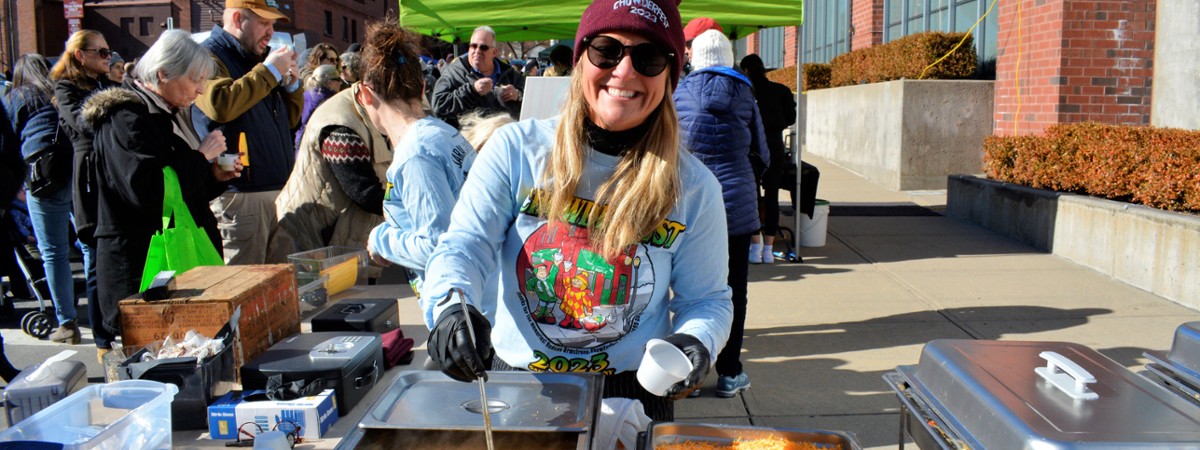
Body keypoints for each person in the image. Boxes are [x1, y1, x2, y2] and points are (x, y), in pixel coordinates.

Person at [421, 0, 733, 422]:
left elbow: (708, 300)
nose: (625, 71)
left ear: (670, 74)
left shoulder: (695, 187)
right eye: (607, 50)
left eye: (649, 57)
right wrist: (450, 307)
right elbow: (465, 246)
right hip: (517, 381)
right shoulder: (516, 151)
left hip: (635, 391)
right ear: (581, 58)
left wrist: (698, 340)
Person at [83, 29, 239, 358]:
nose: (199, 90)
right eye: (194, 79)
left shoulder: (162, 112)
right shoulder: (127, 118)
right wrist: (201, 157)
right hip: (143, 269)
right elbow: (149, 192)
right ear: (163, 73)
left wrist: (214, 176)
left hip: (168, 268)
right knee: (153, 373)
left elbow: (181, 193)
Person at [673, 29, 768, 399]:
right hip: (736, 206)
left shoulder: (679, 93)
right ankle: (729, 372)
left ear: (694, 56)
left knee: (684, 290)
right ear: (729, 57)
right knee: (733, 292)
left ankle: (688, 372)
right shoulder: (745, 93)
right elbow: (763, 151)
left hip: (688, 206)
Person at [357, 21, 477, 299]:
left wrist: (381, 240)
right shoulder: (443, 133)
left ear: (365, 94)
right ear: (422, 88)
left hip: (459, 306)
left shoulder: (416, 154)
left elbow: (439, 246)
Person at [193, 0, 302, 265]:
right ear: (238, 19)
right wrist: (269, 71)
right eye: (264, 22)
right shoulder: (208, 55)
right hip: (240, 195)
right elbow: (220, 105)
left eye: (272, 24)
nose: (270, 31)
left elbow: (290, 121)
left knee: (281, 292)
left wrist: (291, 84)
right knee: (243, 291)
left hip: (277, 191)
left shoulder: (259, 59)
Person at [5, 53, 82, 344]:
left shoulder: (16, 98)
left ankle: (67, 323)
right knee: (89, 245)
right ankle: (104, 312)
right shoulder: (61, 92)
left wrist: (14, 185)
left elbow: (8, 143)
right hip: (76, 171)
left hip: (41, 180)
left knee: (54, 253)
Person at [52, 29, 118, 359]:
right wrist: (115, 101)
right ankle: (102, 342)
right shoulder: (65, 87)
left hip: (113, 169)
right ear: (81, 55)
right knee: (94, 258)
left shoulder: (108, 85)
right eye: (102, 52)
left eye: (109, 53)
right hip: (90, 174)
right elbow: (82, 124)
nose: (109, 58)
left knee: (120, 255)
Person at [275, 81, 389, 256]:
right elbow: (364, 193)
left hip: (344, 225)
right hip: (319, 227)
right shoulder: (340, 127)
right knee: (327, 281)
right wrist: (411, 209)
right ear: (368, 94)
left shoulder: (374, 110)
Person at [740, 54, 796, 264]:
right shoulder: (781, 90)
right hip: (774, 148)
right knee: (772, 197)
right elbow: (790, 118)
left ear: (745, 70)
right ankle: (769, 249)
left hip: (751, 149)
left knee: (752, 198)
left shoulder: (745, 92)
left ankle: (755, 247)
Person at [431, 26, 525, 128]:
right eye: (473, 46)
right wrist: (472, 90)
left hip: (506, 138)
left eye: (483, 47)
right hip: (471, 140)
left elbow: (533, 100)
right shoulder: (453, 73)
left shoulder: (510, 73)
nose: (477, 51)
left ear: (494, 52)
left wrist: (518, 95)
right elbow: (438, 106)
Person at [294, 64, 341, 147]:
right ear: (329, 83)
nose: (341, 82)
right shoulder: (330, 101)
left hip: (299, 141)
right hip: (315, 145)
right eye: (338, 79)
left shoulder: (304, 95)